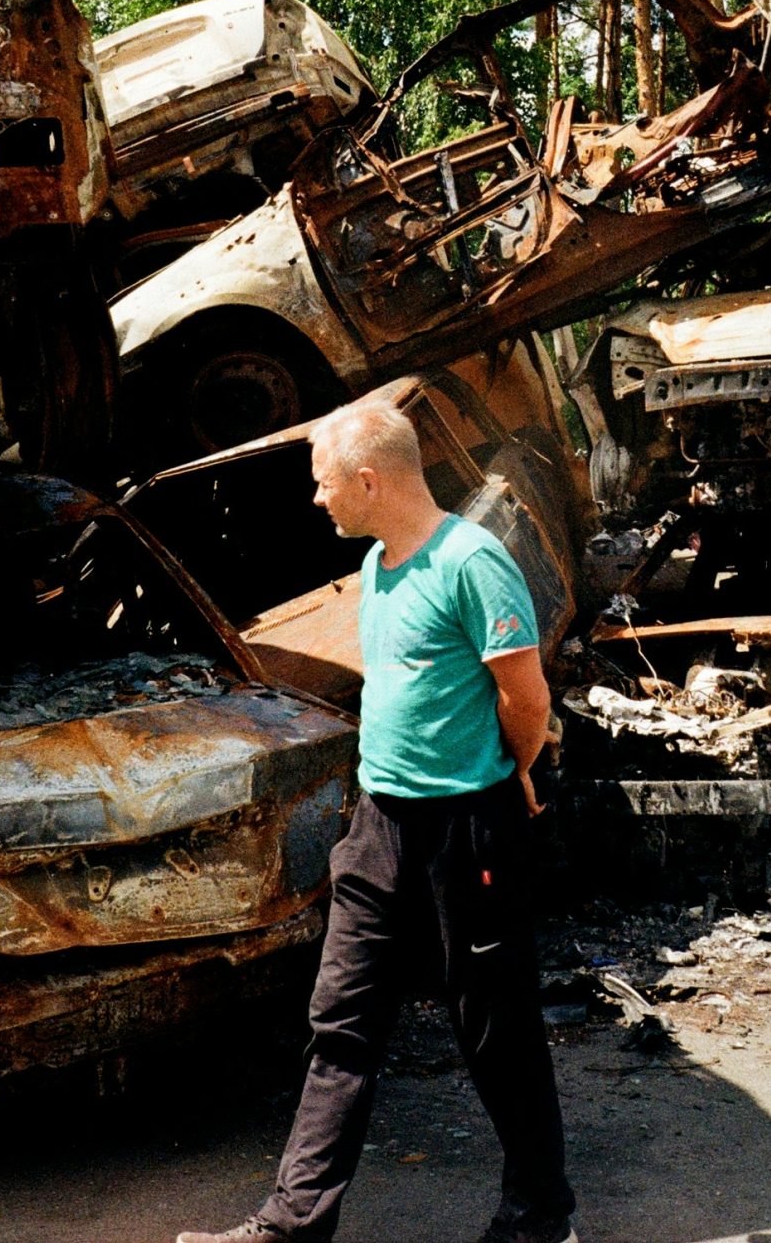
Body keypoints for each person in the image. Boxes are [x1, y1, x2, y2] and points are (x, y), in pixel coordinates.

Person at [178, 395, 579, 1243]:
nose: (316, 500)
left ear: (369, 480)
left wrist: (511, 775)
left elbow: (526, 696)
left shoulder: (473, 563)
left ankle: (541, 1219)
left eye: (326, 485)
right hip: (378, 827)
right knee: (341, 1023)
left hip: (465, 832)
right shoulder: (375, 567)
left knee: (494, 1030)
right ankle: (293, 1225)